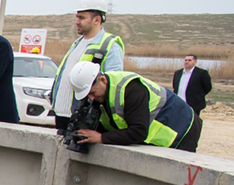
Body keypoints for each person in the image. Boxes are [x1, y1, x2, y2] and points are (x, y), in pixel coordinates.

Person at [68, 62, 201, 152]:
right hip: (159, 129)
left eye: (92, 93)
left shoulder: (131, 89)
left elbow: (139, 132)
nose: (91, 99)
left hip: (183, 127)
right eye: (87, 96)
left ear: (103, 80)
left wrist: (101, 138)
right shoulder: (102, 94)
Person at [48, 0, 125, 131]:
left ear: (97, 20)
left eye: (82, 18)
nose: (77, 21)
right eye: (77, 17)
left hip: (84, 118)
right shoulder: (77, 43)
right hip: (62, 114)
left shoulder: (110, 46)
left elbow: (112, 87)